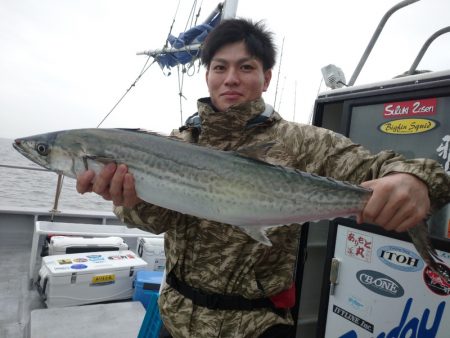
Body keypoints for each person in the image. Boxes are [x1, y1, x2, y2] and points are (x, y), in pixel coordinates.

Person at [76, 19, 450, 338]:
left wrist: (412, 180)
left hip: (256, 325)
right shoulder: (179, 143)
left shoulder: (301, 142)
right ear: (207, 75)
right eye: (220, 68)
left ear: (266, 77)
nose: (231, 79)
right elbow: (160, 221)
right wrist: (129, 202)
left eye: (246, 67)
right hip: (176, 319)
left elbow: (393, 168)